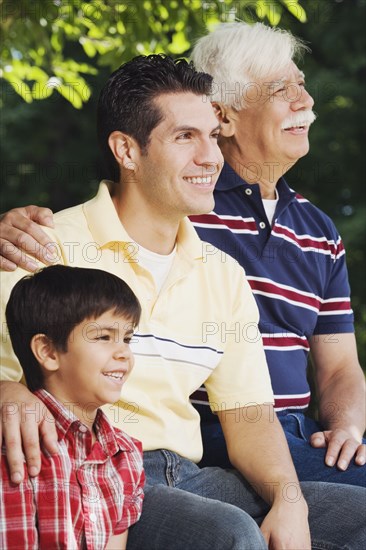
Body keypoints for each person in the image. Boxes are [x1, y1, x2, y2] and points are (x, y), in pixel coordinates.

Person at [0, 54, 365, 550]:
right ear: (127, 150)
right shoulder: (42, 246)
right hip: (100, 476)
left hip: (193, 475)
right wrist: (8, 392)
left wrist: (288, 500)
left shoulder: (222, 273)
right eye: (184, 137)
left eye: (212, 135)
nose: (211, 157)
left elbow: (248, 416)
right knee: (230, 535)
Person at [187, 21, 366, 487]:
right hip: (214, 435)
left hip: (299, 435)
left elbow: (341, 367)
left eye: (301, 85)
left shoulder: (320, 231)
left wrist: (345, 427)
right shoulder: (181, 205)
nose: (304, 101)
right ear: (222, 116)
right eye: (279, 88)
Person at [1, 265, 144, 549]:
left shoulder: (125, 455)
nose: (123, 352)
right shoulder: (15, 445)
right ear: (48, 351)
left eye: (127, 338)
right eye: (103, 337)